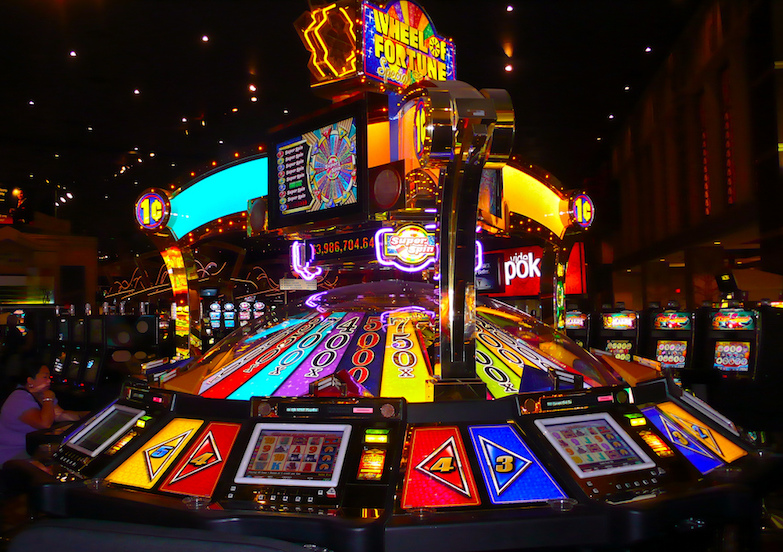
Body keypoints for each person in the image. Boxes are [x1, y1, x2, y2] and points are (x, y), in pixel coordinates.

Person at [0, 359, 85, 467]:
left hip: (31, 451)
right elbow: (44, 423)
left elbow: (59, 414)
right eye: (45, 377)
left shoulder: (40, 395)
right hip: (12, 456)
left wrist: (87, 415)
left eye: (49, 377)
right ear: (30, 380)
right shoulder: (19, 398)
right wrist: (48, 399)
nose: (49, 381)